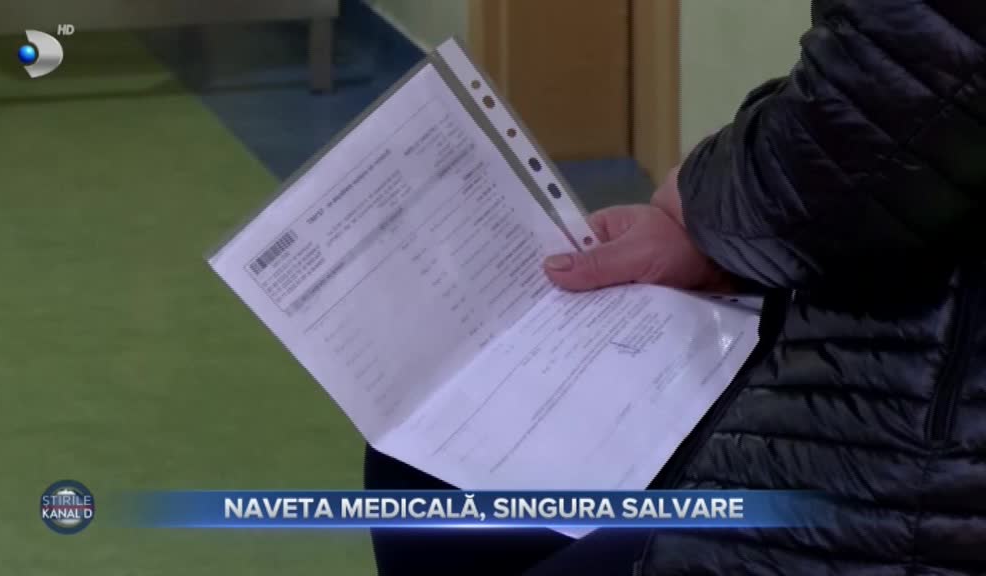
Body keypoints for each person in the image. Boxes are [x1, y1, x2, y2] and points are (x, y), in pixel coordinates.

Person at [366, 0, 986, 573]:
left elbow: (896, 108)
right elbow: (876, 84)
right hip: (893, 323)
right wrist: (714, 223)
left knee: (442, 477)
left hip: (929, 461)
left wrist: (698, 213)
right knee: (423, 457)